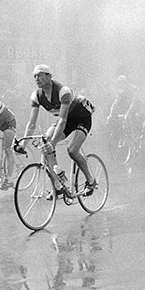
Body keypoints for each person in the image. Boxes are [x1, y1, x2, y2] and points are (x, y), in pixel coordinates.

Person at [20, 64, 97, 196]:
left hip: (81, 118)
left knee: (72, 150)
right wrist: (23, 145)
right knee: (45, 143)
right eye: (34, 76)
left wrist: (53, 143)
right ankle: (58, 184)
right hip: (66, 120)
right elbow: (31, 123)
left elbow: (62, 120)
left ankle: (91, 180)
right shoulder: (36, 96)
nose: (36, 78)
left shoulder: (63, 91)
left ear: (49, 76)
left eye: (39, 75)